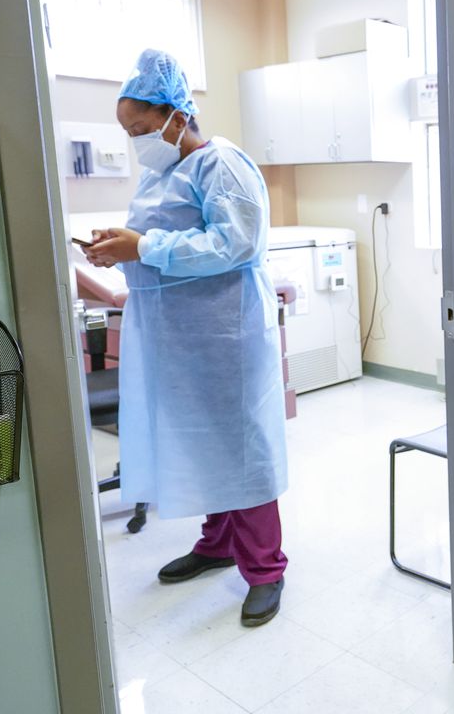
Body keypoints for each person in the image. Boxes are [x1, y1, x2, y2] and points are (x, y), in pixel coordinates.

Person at [84, 49, 288, 627]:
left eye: (142, 129)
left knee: (240, 449)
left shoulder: (222, 165)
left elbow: (236, 244)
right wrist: (118, 244)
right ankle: (218, 543)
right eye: (129, 133)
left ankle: (266, 569)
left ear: (176, 114)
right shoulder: (160, 172)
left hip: (223, 335)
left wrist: (143, 247)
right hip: (176, 336)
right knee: (199, 442)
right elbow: (157, 240)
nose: (137, 141)